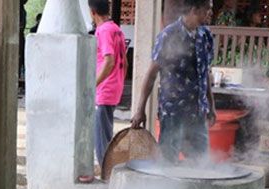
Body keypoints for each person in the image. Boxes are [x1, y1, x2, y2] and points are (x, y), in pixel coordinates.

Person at [130, 0, 217, 162]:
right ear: (194, 9)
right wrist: (140, 110)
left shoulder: (205, 36)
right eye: (208, 9)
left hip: (198, 114)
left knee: (201, 163)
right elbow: (151, 75)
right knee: (168, 162)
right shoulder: (168, 35)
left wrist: (211, 106)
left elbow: (204, 74)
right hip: (173, 113)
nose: (210, 13)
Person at [89, 0, 127, 167]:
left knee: (101, 139)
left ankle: (107, 176)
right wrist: (118, 82)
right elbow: (125, 63)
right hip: (114, 87)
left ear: (93, 12)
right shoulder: (116, 29)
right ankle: (108, 172)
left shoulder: (103, 30)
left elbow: (109, 60)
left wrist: (93, 85)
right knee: (106, 133)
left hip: (104, 90)